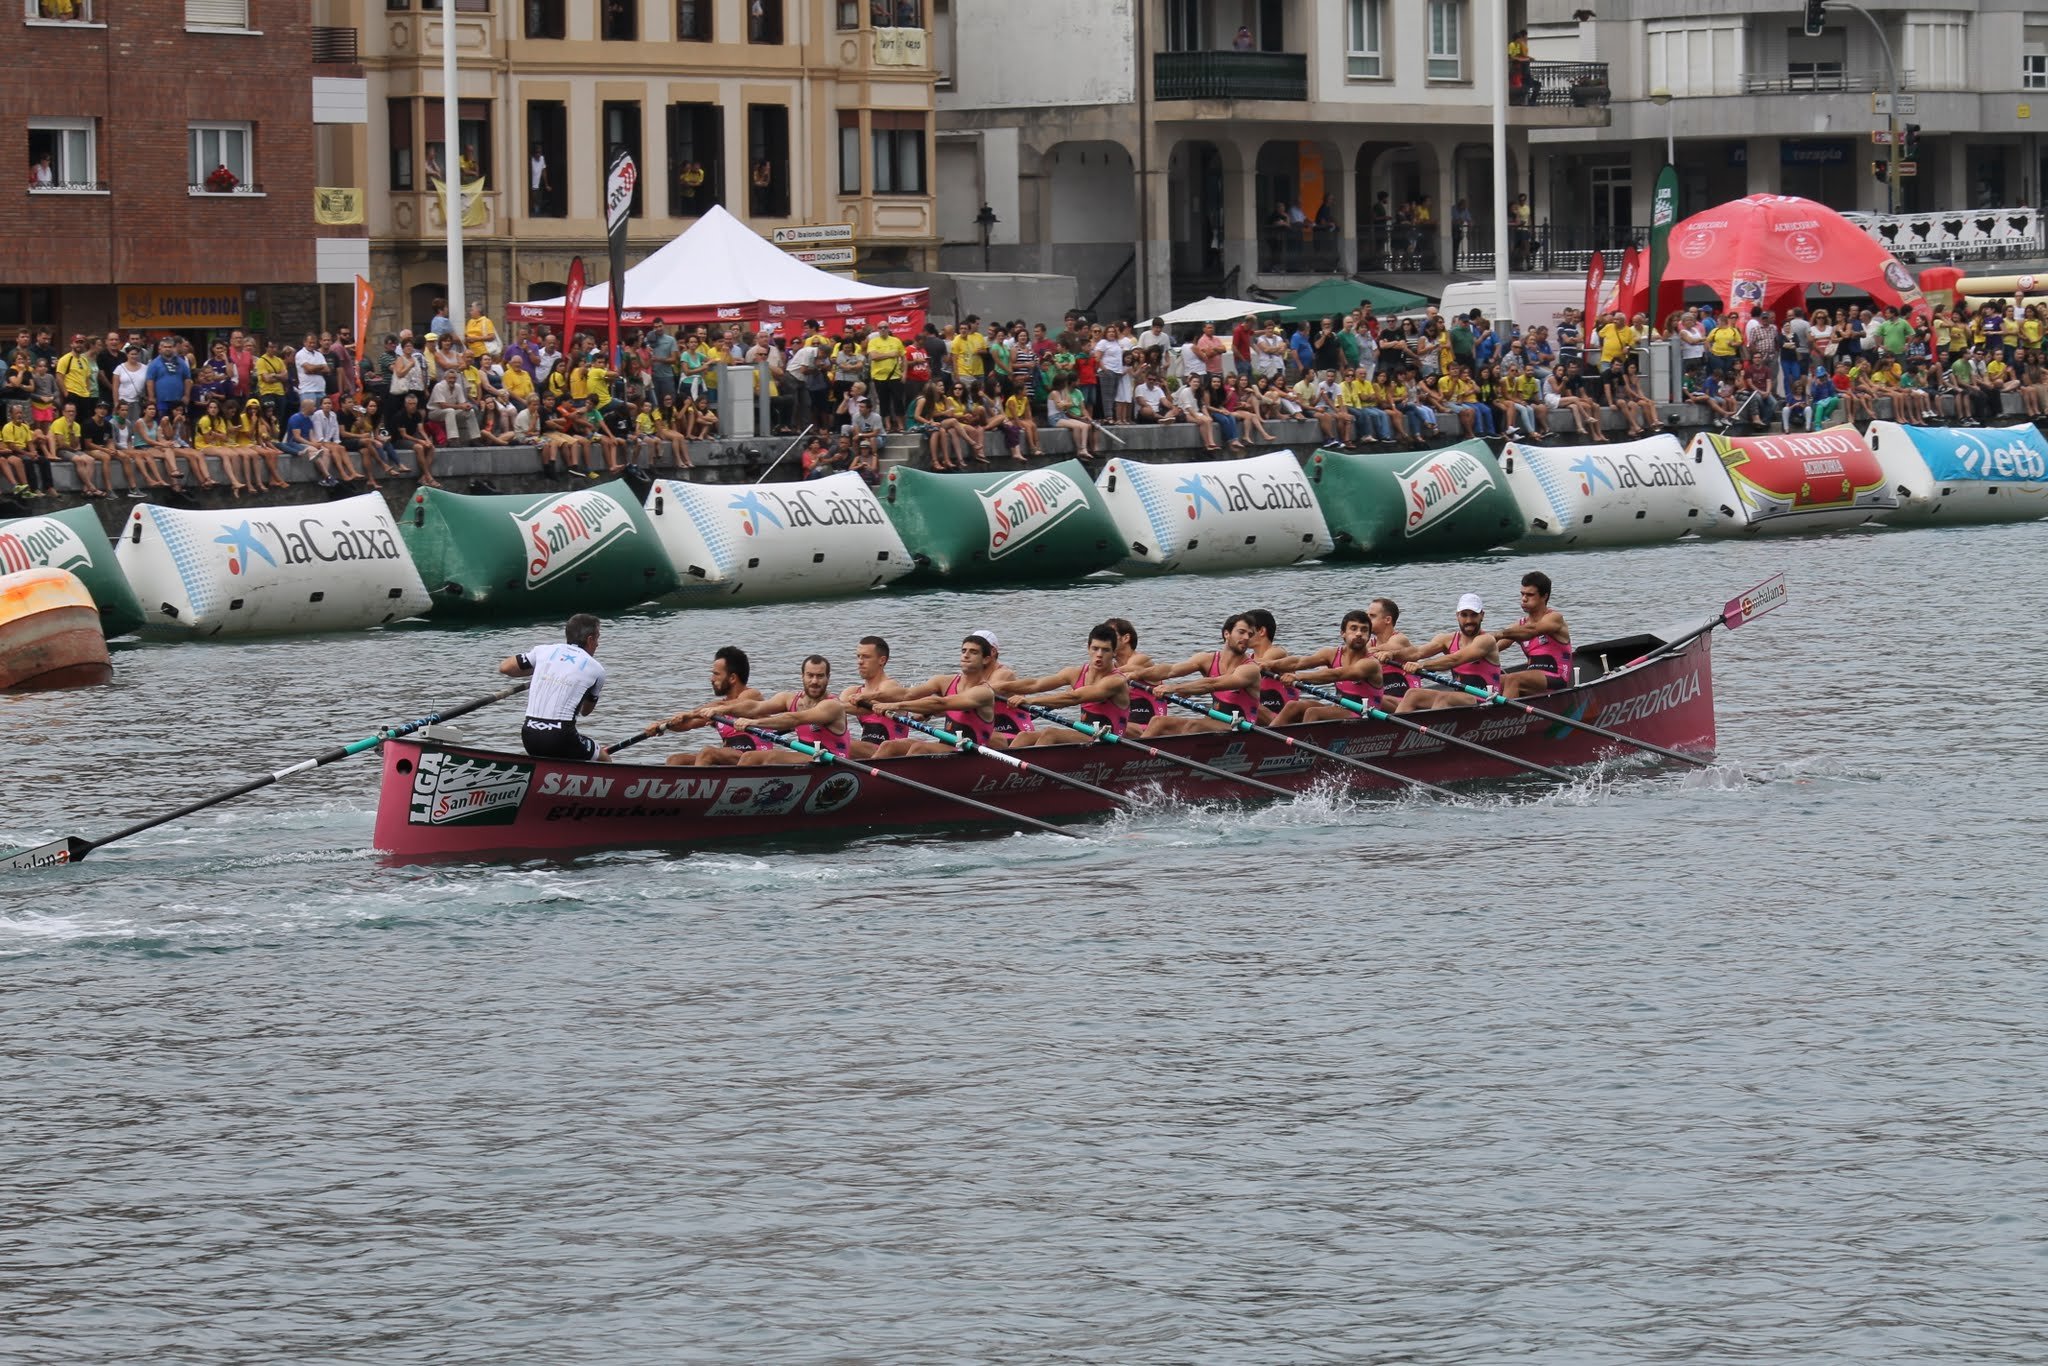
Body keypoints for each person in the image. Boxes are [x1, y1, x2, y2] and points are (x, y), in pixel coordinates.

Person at [862, 631, 1009, 758]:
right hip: (948, 747)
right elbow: (907, 693)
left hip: (969, 752)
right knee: (890, 746)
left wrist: (895, 705)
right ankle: (868, 782)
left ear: (986, 659)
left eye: (973, 652)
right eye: (964, 651)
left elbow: (941, 703)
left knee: (919, 748)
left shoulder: (984, 692)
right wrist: (868, 696)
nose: (966, 655)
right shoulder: (944, 681)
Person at [500, 613, 609, 761]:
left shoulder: (542, 651)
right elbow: (585, 712)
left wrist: (540, 671)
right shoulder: (597, 670)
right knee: (603, 757)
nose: (598, 644)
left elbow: (505, 667)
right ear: (590, 639)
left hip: (529, 735)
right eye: (598, 638)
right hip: (562, 738)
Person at [1001, 623, 1132, 747]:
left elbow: (1074, 697)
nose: (1099, 655)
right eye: (1095, 648)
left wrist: (1029, 700)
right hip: (1087, 735)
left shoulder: (1116, 681)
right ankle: (1005, 770)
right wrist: (997, 688)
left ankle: (1026, 769)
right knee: (1024, 736)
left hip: (1109, 740)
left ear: (1114, 652)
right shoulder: (1075, 673)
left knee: (1051, 733)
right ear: (1088, 648)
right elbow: (1035, 684)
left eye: (1105, 650)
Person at [1136, 612, 1264, 737]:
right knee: (1158, 721)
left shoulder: (1250, 669)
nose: (1247, 637)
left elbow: (1211, 684)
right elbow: (1170, 670)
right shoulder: (1206, 659)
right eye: (1241, 632)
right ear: (1227, 634)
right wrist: (1133, 675)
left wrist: (1172, 688)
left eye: (1250, 634)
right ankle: (1136, 757)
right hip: (1214, 723)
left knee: (1194, 726)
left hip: (1240, 726)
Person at [1267, 609, 1389, 725]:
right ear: (1343, 633)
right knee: (1293, 706)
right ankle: (1266, 742)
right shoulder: (1331, 653)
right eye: (1353, 628)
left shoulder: (1370, 663)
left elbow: (1337, 674)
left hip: (1364, 715)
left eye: (1364, 630)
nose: (1358, 633)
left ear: (1369, 635)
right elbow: (1298, 662)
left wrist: (1298, 677)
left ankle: (1304, 744)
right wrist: (1267, 664)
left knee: (1313, 712)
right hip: (1340, 710)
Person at [729, 656, 854, 765]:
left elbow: (794, 719)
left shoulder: (833, 705)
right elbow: (755, 707)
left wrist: (752, 723)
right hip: (808, 759)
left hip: (832, 761)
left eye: (820, 676)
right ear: (802, 676)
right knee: (751, 757)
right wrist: (717, 710)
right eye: (810, 675)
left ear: (828, 678)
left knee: (752, 757)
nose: (814, 681)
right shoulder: (790, 699)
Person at [1387, 593, 1501, 712]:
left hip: (1486, 699)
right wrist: (1392, 654)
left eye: (1474, 615)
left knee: (1444, 698)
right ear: (1457, 615)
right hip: (1461, 699)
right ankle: (1397, 730)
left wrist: (1421, 665)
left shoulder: (1486, 640)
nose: (1469, 620)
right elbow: (1417, 652)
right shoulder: (1446, 639)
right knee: (1412, 694)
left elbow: (1455, 660)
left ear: (1482, 615)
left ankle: (1428, 726)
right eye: (1464, 615)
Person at [662, 646, 768, 766]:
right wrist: (662, 725)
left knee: (708, 753)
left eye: (716, 674)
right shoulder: (716, 708)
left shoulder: (752, 695)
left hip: (755, 757)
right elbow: (687, 724)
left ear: (732, 678)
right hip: (732, 758)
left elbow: (723, 705)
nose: (711, 679)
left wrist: (689, 714)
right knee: (676, 760)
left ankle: (698, 783)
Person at [1490, 571, 1573, 697]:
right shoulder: (1519, 625)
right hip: (1533, 680)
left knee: (1513, 679)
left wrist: (1499, 634)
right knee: (1492, 681)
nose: (1524, 598)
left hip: (1557, 678)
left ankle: (1505, 716)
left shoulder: (1555, 618)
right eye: (1522, 594)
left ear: (1544, 596)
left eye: (1530, 595)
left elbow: (1532, 631)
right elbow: (1492, 648)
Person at [838, 635, 910, 755]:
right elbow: (833, 710)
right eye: (858, 656)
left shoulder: (889, 686)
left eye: (866, 657)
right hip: (867, 753)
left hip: (892, 752)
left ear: (882, 660)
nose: (860, 661)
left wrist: (835, 708)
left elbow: (871, 703)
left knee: (845, 744)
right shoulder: (851, 692)